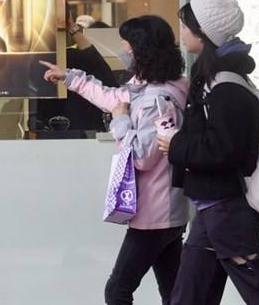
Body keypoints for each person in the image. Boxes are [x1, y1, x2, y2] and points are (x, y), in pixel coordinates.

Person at [40, 15, 189, 305]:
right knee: (174, 293)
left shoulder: (156, 100)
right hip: (169, 210)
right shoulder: (166, 87)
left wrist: (120, 123)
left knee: (118, 290)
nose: (123, 51)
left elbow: (143, 157)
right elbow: (114, 97)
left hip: (153, 214)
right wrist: (70, 78)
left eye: (127, 46)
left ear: (141, 51)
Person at [157, 0, 259, 304]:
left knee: (257, 288)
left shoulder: (225, 87)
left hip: (226, 206)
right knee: (190, 293)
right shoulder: (216, 81)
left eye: (186, 26)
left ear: (204, 33)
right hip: (212, 205)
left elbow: (224, 150)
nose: (182, 32)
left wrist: (176, 143)